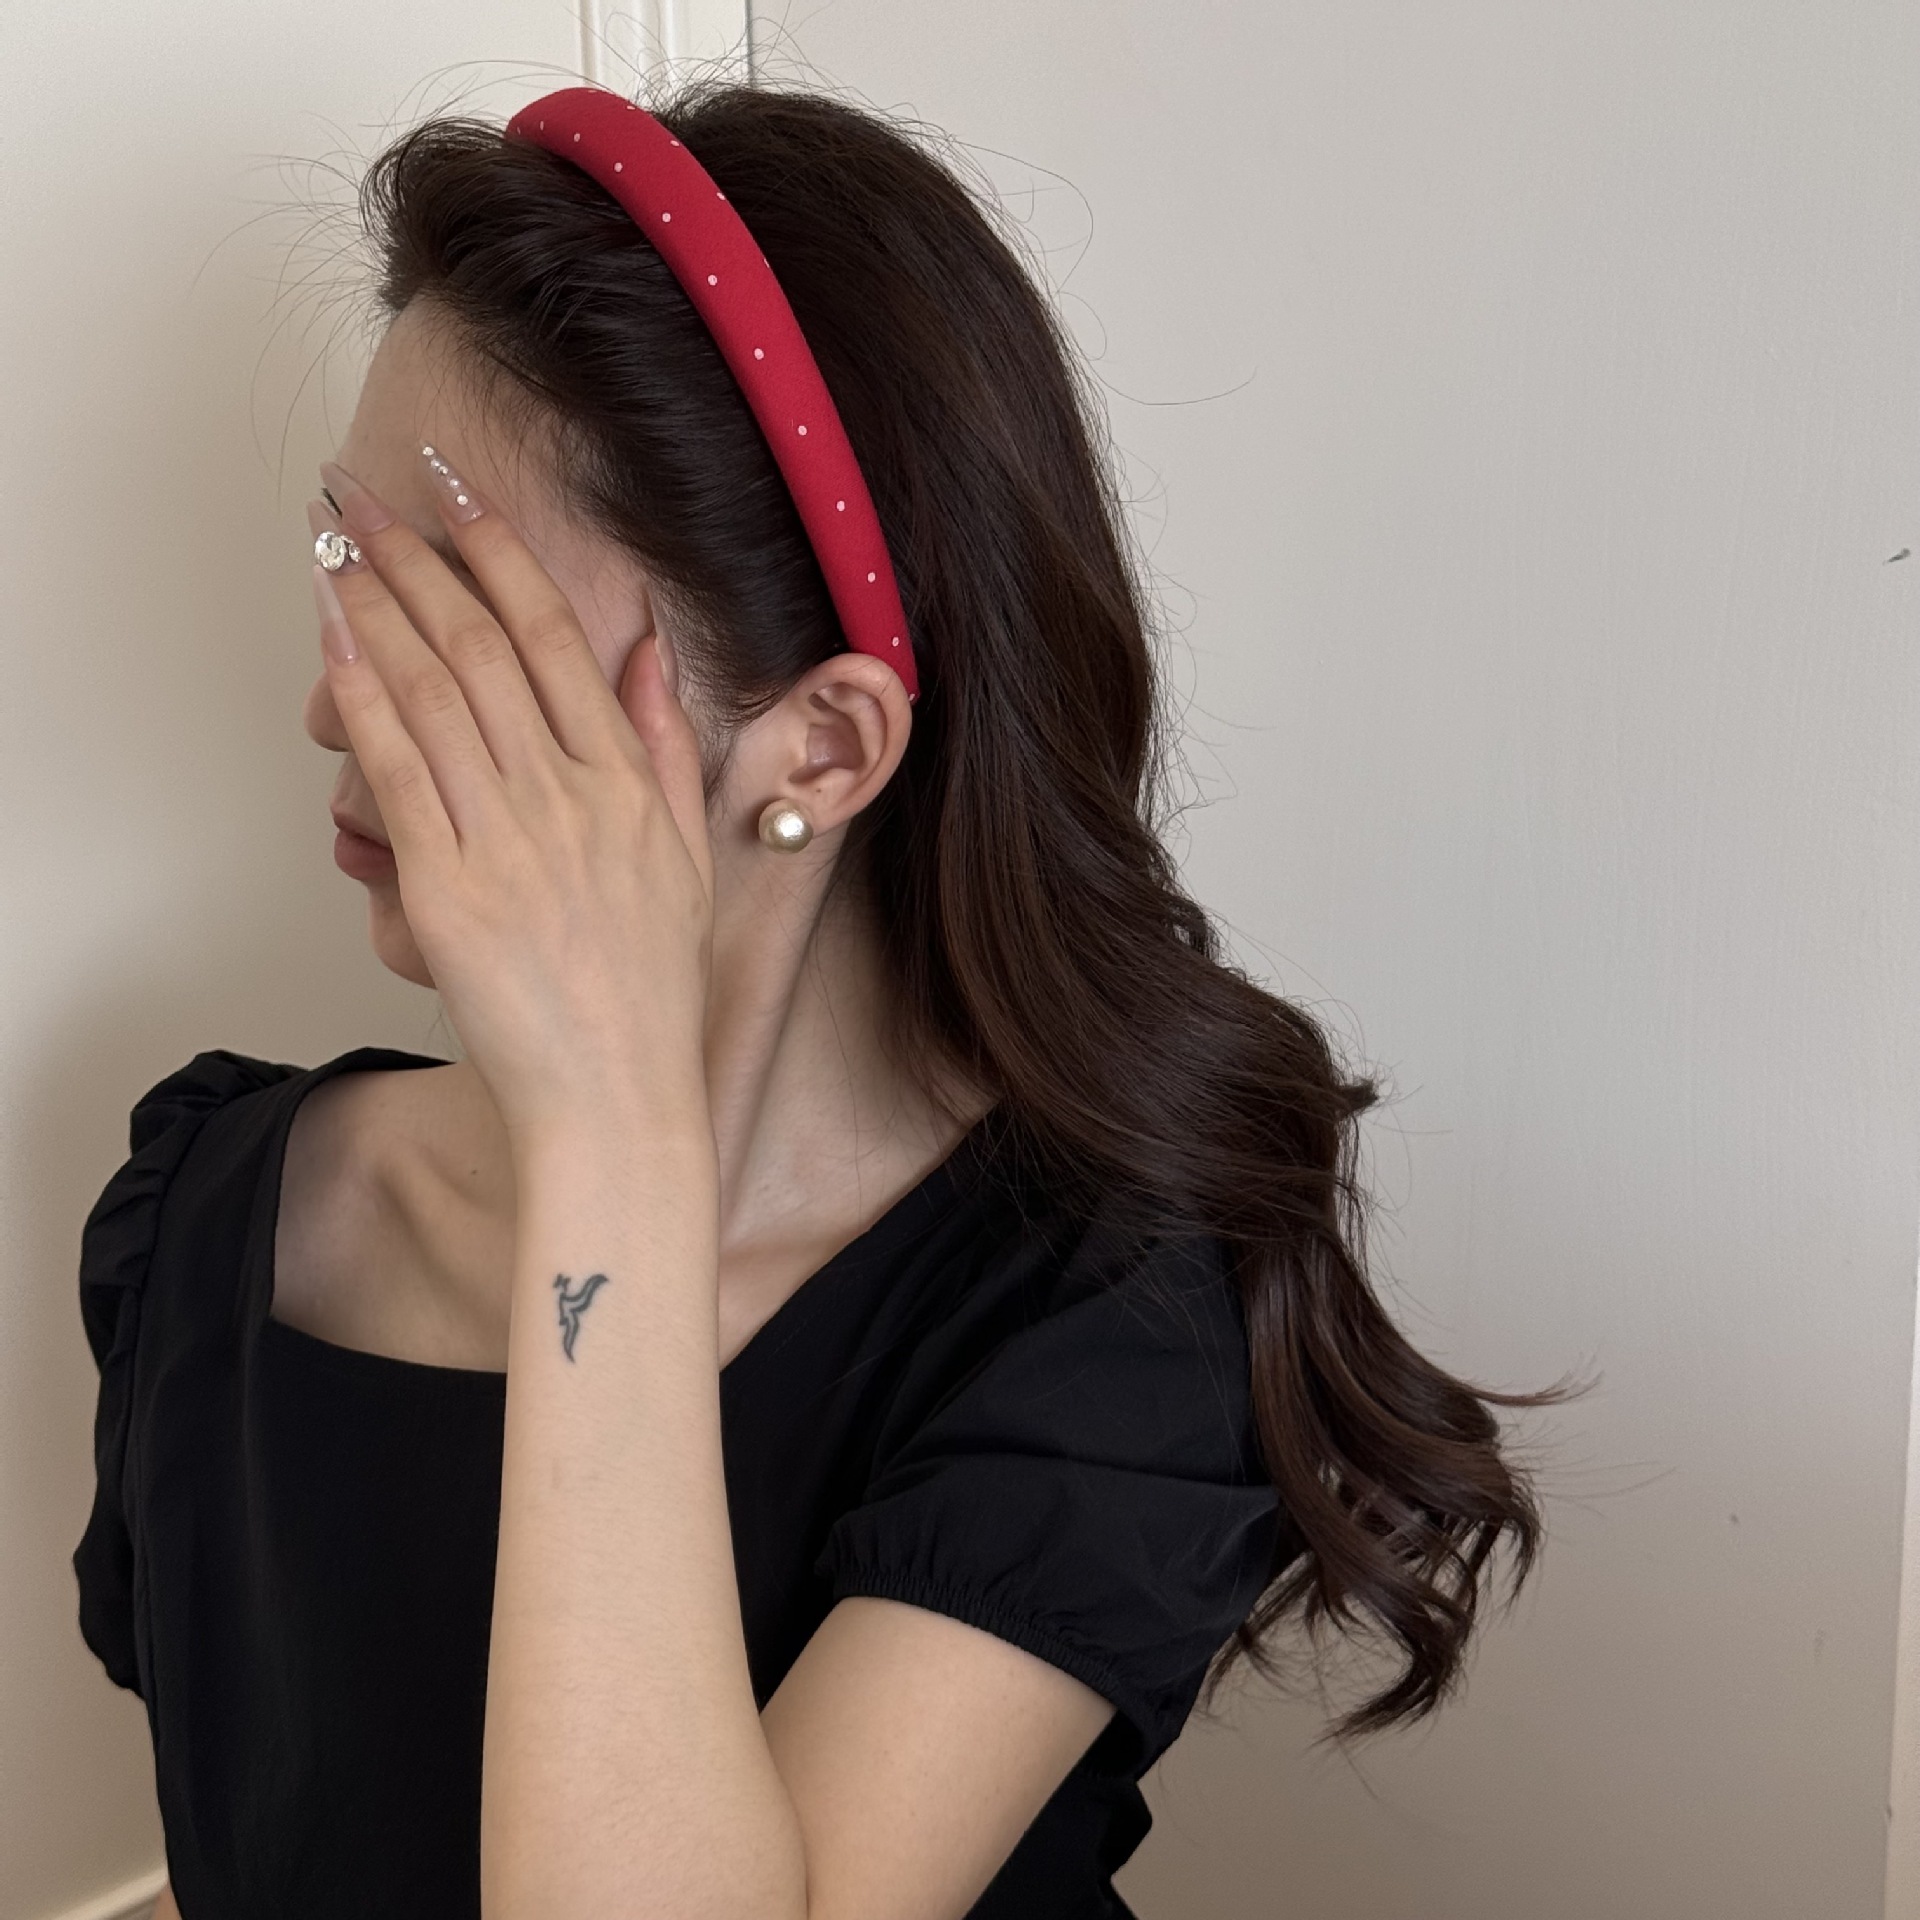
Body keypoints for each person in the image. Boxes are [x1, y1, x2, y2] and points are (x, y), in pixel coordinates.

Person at [74, 78, 1546, 1920]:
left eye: (457, 634)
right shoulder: (216, 1219)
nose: (334, 711)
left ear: (825, 748)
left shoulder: (1096, 1322)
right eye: (345, 584)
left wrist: (608, 1133)